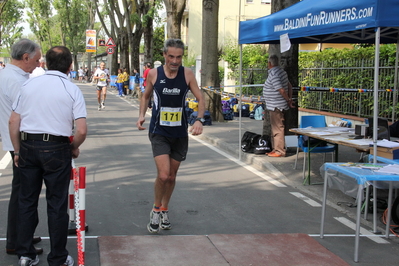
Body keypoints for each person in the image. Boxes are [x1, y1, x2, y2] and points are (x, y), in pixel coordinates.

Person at [9, 45, 87, 266]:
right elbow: (81, 130)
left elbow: (13, 121)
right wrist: (74, 147)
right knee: (57, 204)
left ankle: (25, 254)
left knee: (26, 201)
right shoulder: (71, 89)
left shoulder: (28, 85)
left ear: (45, 63)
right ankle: (58, 257)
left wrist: (17, 150)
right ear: (70, 66)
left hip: (28, 146)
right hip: (57, 148)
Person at [136, 38, 205, 234]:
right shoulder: (153, 74)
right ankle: (156, 209)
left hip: (180, 133)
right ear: (164, 55)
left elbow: (200, 98)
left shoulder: (188, 74)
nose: (175, 61)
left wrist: (199, 119)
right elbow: (145, 96)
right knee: (164, 174)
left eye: (179, 57)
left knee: (173, 176)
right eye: (171, 56)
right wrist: (141, 115)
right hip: (159, 132)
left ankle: (165, 208)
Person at [0, 38, 43, 256]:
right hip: (21, 142)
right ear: (25, 58)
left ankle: (21, 235)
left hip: (15, 140)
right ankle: (17, 241)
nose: (38, 64)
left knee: (24, 193)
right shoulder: (16, 81)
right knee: (23, 195)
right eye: (36, 60)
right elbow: (25, 113)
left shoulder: (9, 75)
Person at [262, 54, 294, 157]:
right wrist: (289, 99)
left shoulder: (274, 74)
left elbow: (281, 89)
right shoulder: (282, 72)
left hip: (276, 105)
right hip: (277, 104)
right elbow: (289, 86)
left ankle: (279, 151)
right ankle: (275, 149)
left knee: (278, 128)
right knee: (275, 128)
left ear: (269, 64)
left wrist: (288, 99)